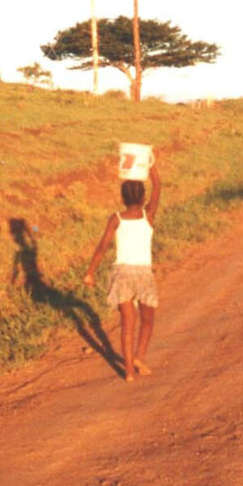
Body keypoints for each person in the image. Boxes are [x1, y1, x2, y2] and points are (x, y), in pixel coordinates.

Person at [82, 164, 161, 382]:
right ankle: (139, 356)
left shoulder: (116, 218)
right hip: (144, 274)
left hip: (122, 274)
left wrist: (90, 272)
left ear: (122, 197)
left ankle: (128, 372)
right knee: (147, 320)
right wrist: (151, 166)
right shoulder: (148, 216)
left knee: (128, 325)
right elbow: (158, 187)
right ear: (143, 196)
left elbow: (102, 247)